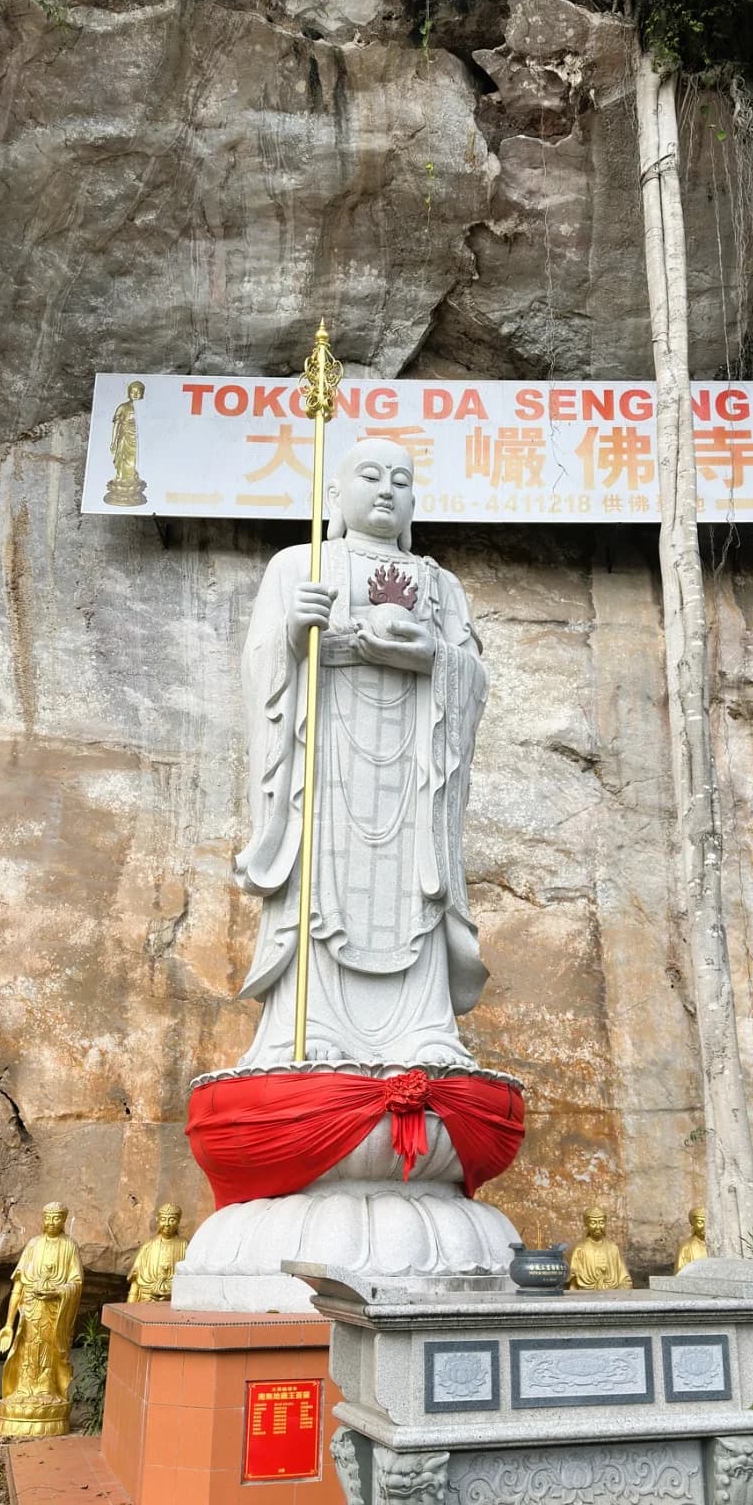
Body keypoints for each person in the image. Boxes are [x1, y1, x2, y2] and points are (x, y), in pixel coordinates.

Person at [235, 438, 487, 1066]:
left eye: (401, 481)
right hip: (325, 762)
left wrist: (430, 656)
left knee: (416, 884)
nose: (386, 490)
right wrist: (295, 634)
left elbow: (473, 677)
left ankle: (427, 1028)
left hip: (415, 770)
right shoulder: (300, 565)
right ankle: (311, 1024)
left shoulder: (441, 585)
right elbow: (259, 665)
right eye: (370, 476)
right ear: (335, 496)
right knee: (322, 878)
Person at [0, 1203, 84, 1437]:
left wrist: (58, 1292)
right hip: (32, 1308)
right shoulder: (34, 1245)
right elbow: (19, 1284)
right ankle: (25, 1389)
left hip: (54, 1311)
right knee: (26, 1348)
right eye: (49, 1217)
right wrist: (8, 1322)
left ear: (64, 1220)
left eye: (57, 1218)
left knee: (49, 1349)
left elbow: (76, 1282)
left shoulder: (69, 1246)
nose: (52, 1222)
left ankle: (46, 1388)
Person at [127, 1203, 188, 1302]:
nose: (167, 1224)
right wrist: (130, 1305)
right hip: (146, 1299)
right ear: (157, 1221)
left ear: (178, 1222)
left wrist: (172, 1295)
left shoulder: (185, 1246)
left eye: (172, 1220)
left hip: (174, 1301)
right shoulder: (148, 1247)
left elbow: (190, 1282)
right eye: (163, 1219)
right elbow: (135, 1280)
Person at [567, 1207, 632, 1289]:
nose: (598, 1227)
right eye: (593, 1223)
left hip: (613, 1296)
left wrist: (619, 1292)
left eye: (601, 1222)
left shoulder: (613, 1248)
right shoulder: (580, 1250)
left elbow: (625, 1281)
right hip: (587, 1296)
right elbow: (574, 1283)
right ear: (586, 1224)